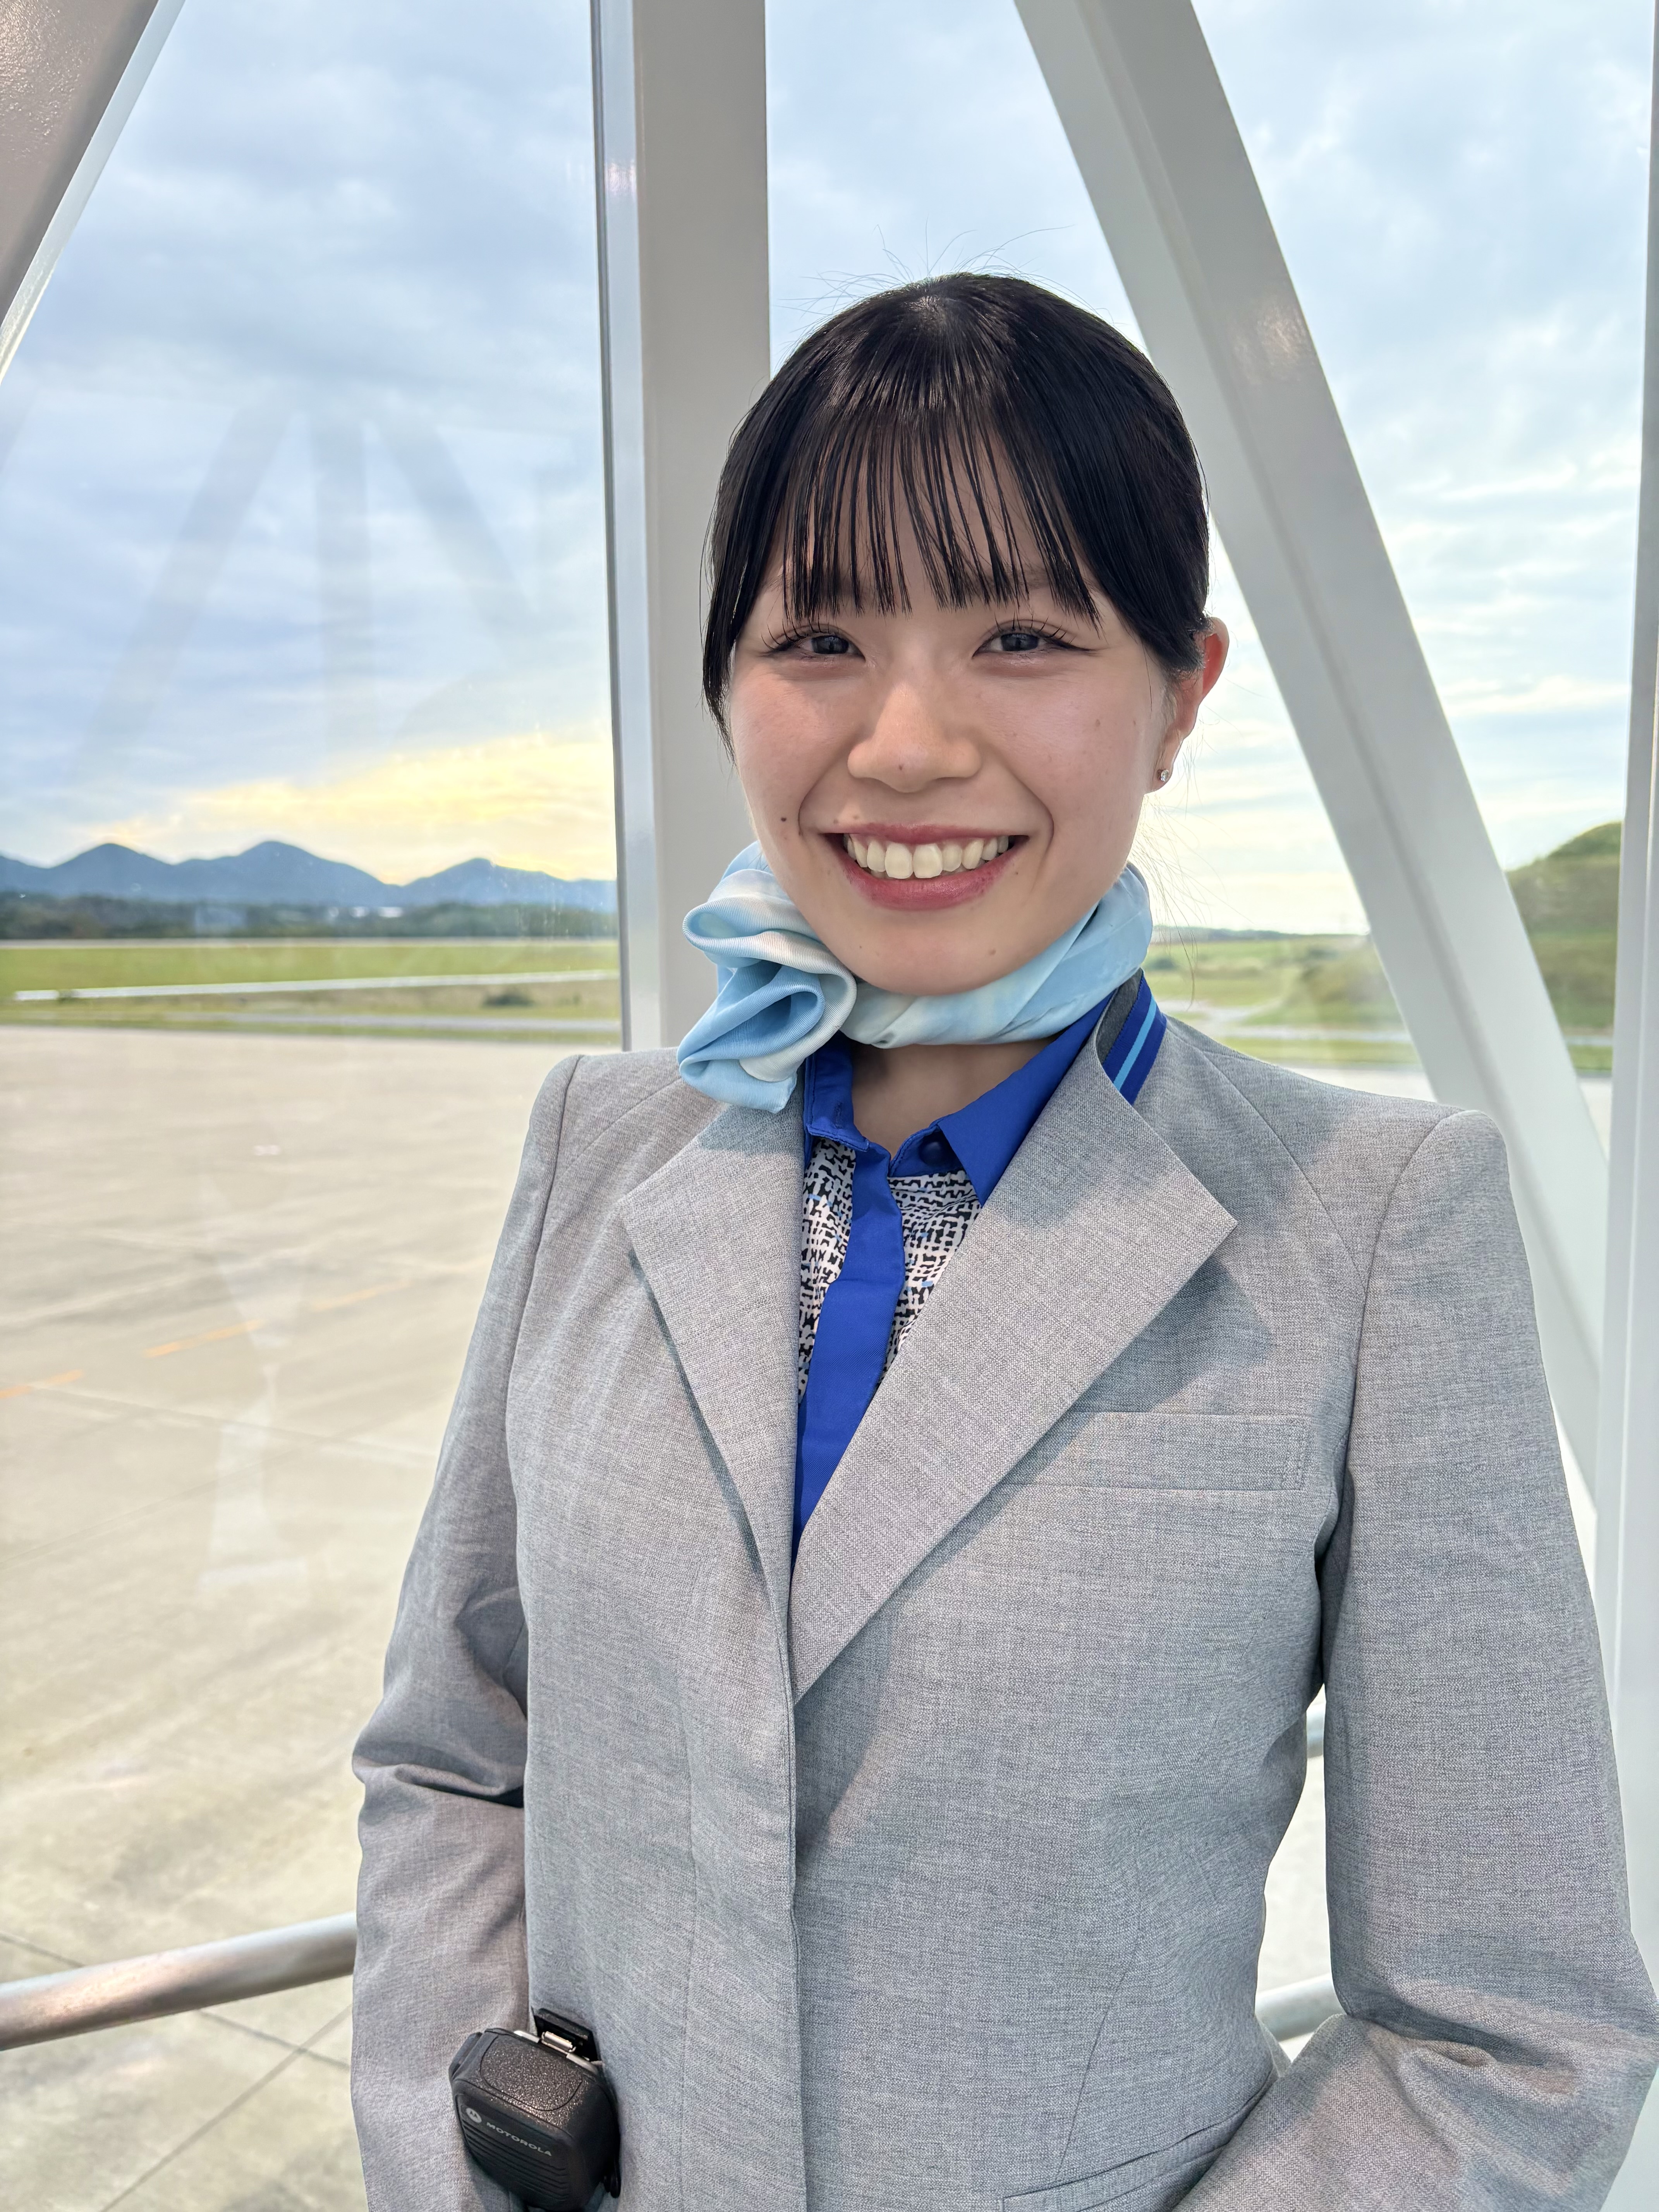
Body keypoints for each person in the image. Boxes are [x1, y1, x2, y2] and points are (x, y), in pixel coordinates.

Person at [350, 275, 1659, 2210]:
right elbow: (457, 1753)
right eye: (819, 638)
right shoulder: (596, 1149)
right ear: (726, 683)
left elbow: (1507, 2037)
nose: (904, 743)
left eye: (1024, 635)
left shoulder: (1373, 1227)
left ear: (1182, 693)